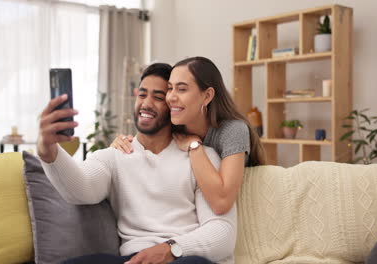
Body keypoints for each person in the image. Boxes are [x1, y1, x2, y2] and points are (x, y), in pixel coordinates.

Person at [37, 63, 237, 264]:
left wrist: (170, 249)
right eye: (142, 95)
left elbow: (223, 232)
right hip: (134, 259)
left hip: (182, 257)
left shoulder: (200, 155)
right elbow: (79, 190)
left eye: (158, 97)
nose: (146, 104)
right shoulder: (114, 155)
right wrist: (48, 149)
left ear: (173, 105)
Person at [112, 57, 265, 215]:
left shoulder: (233, 130)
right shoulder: (175, 126)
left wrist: (194, 147)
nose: (171, 97)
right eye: (170, 88)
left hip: (236, 216)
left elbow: (222, 203)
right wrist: (119, 145)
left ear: (207, 96)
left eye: (182, 89)